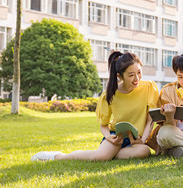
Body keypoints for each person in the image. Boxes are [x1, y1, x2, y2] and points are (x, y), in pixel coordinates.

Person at [31, 51, 159, 161]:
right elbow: (104, 125)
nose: (137, 78)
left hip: (137, 139)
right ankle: (59, 156)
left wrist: (142, 140)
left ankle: (111, 154)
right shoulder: (110, 94)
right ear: (120, 76)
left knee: (144, 152)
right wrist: (109, 137)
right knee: (99, 157)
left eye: (139, 72)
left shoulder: (148, 87)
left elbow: (150, 120)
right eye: (131, 75)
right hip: (117, 136)